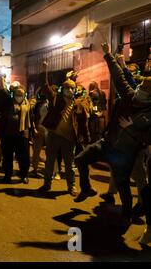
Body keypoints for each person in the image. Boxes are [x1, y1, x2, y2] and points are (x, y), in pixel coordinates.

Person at [74, 43, 151, 223]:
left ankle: (126, 215)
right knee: (80, 159)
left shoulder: (148, 113)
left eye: (143, 90)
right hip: (107, 143)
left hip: (126, 154)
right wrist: (108, 55)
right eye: (140, 88)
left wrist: (132, 126)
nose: (138, 91)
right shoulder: (130, 95)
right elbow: (120, 78)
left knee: (123, 184)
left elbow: (147, 138)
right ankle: (86, 188)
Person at [38, 62, 90, 197]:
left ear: (75, 90)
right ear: (63, 89)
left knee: (70, 164)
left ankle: (71, 186)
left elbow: (83, 124)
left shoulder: (79, 105)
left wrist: (86, 139)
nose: (70, 91)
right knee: (49, 162)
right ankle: (47, 184)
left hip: (69, 139)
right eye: (67, 88)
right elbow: (45, 87)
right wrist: (44, 71)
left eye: (72, 89)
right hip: (53, 136)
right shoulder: (56, 99)